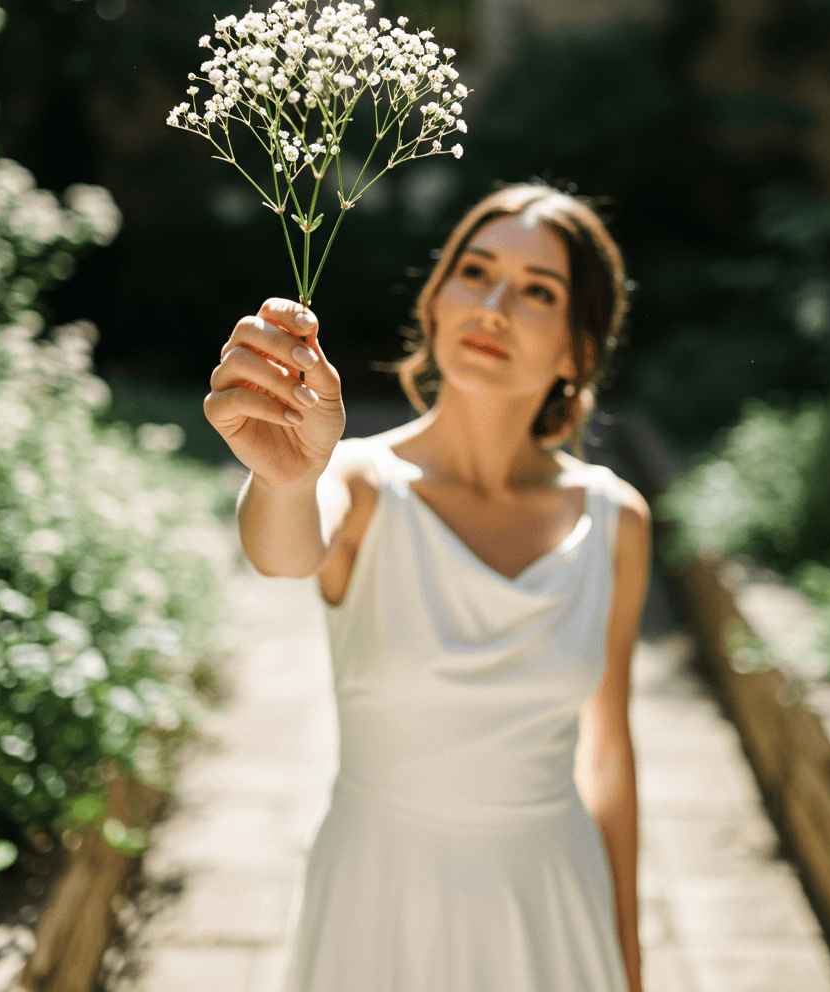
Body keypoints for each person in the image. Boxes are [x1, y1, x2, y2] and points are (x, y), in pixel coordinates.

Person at [204, 183, 651, 992]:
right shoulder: (357, 482)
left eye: (538, 291)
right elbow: (284, 552)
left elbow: (610, 758)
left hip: (553, 901)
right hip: (380, 898)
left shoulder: (617, 521)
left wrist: (628, 957)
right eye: (474, 273)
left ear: (578, 351)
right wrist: (284, 481)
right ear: (437, 301)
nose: (494, 305)